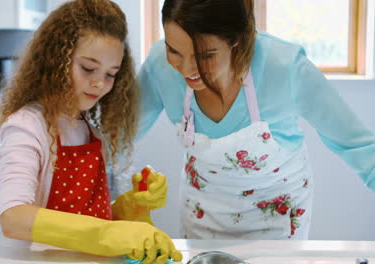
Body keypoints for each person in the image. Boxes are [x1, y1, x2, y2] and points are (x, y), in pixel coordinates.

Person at [138, 0, 375, 240]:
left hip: (277, 217)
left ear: (235, 39)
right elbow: (117, 136)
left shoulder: (284, 68)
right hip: (203, 214)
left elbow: (362, 148)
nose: (187, 68)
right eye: (174, 51)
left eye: (205, 55)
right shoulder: (160, 66)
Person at [0, 0, 182, 263]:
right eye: (88, 68)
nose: (99, 83)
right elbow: (13, 218)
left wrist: (130, 207)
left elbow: (88, 222)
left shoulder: (89, 131)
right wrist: (107, 233)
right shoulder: (27, 126)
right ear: (56, 58)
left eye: (111, 74)